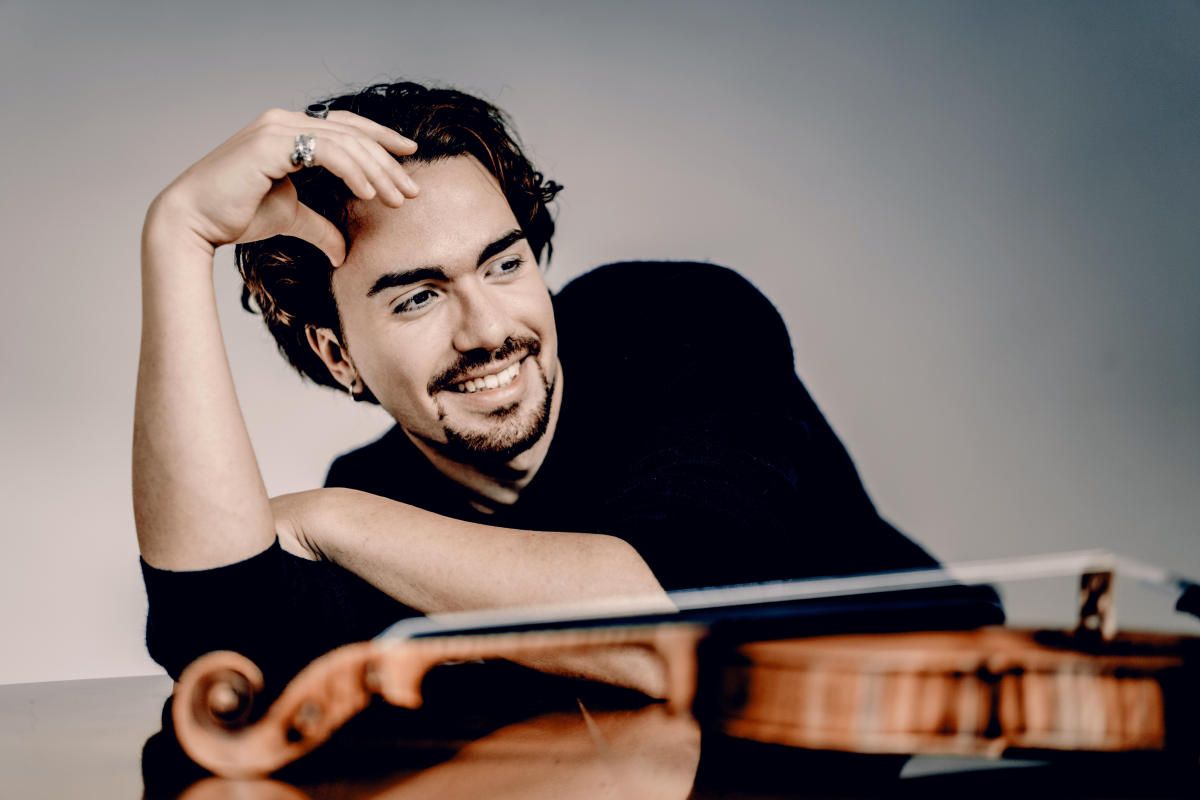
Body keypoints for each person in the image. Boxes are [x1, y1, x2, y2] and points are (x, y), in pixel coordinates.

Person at [134, 81, 988, 701]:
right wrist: (181, 235)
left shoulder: (681, 324)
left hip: (968, 745)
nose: (485, 329)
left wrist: (331, 519)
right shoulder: (382, 491)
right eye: (418, 298)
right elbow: (219, 642)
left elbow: (679, 621)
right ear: (338, 356)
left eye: (503, 264)